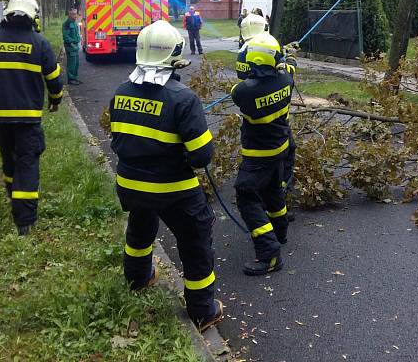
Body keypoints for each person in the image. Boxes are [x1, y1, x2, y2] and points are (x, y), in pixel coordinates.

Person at [109, 20, 223, 331]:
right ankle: (203, 310)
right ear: (174, 55)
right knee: (195, 240)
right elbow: (202, 157)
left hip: (131, 185)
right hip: (172, 189)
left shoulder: (121, 92)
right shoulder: (183, 99)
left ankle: (138, 278)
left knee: (141, 224)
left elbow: (118, 140)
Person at [0, 0, 63, 236]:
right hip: (27, 119)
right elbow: (54, 79)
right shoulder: (39, 43)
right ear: (33, 17)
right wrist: (56, 101)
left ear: (8, 14)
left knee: (9, 162)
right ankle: (25, 221)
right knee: (27, 163)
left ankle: (14, 201)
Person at [231, 32, 294, 276]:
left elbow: (239, 86)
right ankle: (280, 232)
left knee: (246, 194)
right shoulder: (286, 80)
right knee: (273, 190)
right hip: (281, 148)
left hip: (258, 154)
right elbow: (288, 68)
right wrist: (287, 56)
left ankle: (269, 253)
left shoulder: (244, 92)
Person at [62, 8, 82, 85]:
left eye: (76, 14)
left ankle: (75, 78)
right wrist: (72, 44)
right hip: (70, 46)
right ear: (69, 14)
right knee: (71, 64)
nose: (75, 16)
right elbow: (66, 36)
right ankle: (71, 79)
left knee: (76, 63)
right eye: (73, 14)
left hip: (75, 46)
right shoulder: (67, 24)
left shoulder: (74, 23)